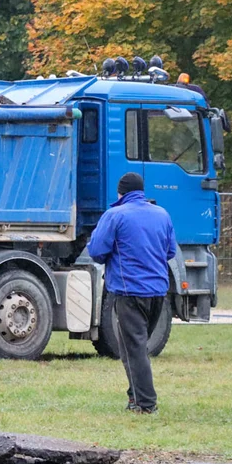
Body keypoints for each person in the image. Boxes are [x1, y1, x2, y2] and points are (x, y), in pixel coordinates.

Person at [86, 172, 177, 414]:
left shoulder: (115, 215)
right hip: (158, 292)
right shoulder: (162, 214)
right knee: (134, 348)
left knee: (134, 350)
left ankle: (146, 404)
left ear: (120, 193)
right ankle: (134, 398)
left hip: (129, 292)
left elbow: (96, 251)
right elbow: (170, 252)